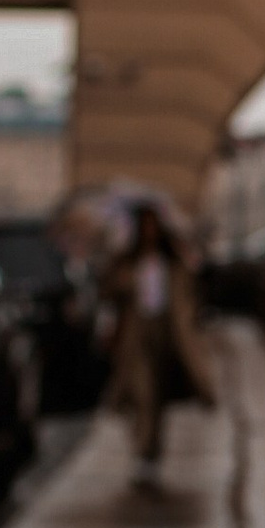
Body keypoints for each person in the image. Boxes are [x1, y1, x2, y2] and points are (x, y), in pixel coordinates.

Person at [100, 201, 214, 473]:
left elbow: (189, 297)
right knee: (142, 391)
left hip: (167, 332)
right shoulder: (128, 262)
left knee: (159, 395)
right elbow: (108, 291)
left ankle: (152, 448)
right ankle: (142, 449)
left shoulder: (172, 262)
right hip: (136, 333)